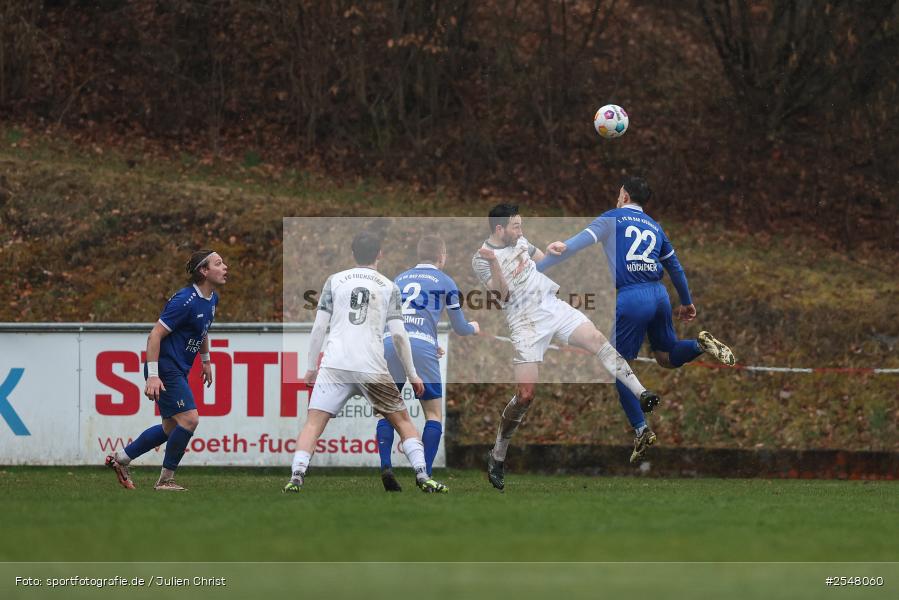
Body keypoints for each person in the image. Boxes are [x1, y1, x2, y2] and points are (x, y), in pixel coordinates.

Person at [536, 175, 735, 452]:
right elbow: (675, 267)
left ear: (626, 197)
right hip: (659, 294)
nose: (617, 198)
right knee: (666, 357)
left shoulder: (612, 218)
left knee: (618, 365)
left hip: (632, 297)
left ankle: (641, 429)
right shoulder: (655, 226)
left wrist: (536, 270)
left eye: (619, 194)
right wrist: (687, 301)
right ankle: (699, 345)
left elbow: (577, 244)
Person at [472, 204, 660, 491]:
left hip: (552, 308)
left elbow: (541, 260)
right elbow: (502, 295)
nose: (521, 231)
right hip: (524, 323)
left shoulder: (520, 241)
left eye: (521, 225)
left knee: (597, 340)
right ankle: (497, 455)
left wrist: (552, 251)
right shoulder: (481, 258)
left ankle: (642, 392)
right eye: (516, 226)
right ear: (499, 229)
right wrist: (496, 263)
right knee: (525, 396)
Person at [283, 231, 449, 494]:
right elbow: (397, 335)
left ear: (352, 254)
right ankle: (422, 476)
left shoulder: (334, 280)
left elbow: (319, 328)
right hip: (370, 366)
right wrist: (413, 373)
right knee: (404, 422)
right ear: (379, 254)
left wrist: (311, 368)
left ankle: (296, 476)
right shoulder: (388, 286)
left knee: (313, 423)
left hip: (335, 364)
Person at [105, 250, 228, 491]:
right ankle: (165, 480)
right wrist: (153, 375)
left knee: (170, 428)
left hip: (178, 370)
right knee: (190, 419)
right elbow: (155, 335)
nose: (225, 267)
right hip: (165, 369)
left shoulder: (212, 299)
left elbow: (201, 331)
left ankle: (120, 459)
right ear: (204, 271)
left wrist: (205, 360)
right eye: (219, 263)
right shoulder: (185, 300)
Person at [377, 235, 480, 492]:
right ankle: (427, 474)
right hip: (422, 346)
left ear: (419, 255)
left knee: (387, 410)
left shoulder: (399, 279)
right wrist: (473, 328)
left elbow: (389, 319)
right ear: (441, 256)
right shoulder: (446, 282)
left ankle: (386, 465)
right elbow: (459, 327)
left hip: (391, 343)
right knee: (433, 414)